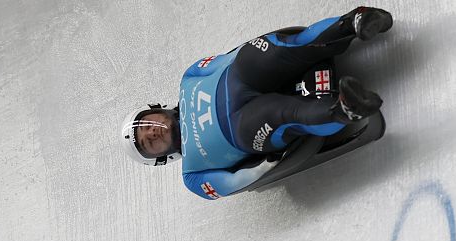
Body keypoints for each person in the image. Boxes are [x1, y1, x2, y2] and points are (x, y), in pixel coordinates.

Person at [120, 7, 393, 200]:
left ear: (155, 109)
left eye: (146, 125)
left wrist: (259, 48)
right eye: (148, 143)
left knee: (268, 54)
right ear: (161, 158)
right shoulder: (193, 176)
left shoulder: (189, 77)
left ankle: (353, 24)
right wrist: (267, 164)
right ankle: (343, 109)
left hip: (243, 75)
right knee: (280, 114)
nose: (152, 132)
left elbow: (230, 56)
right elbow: (236, 181)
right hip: (243, 127)